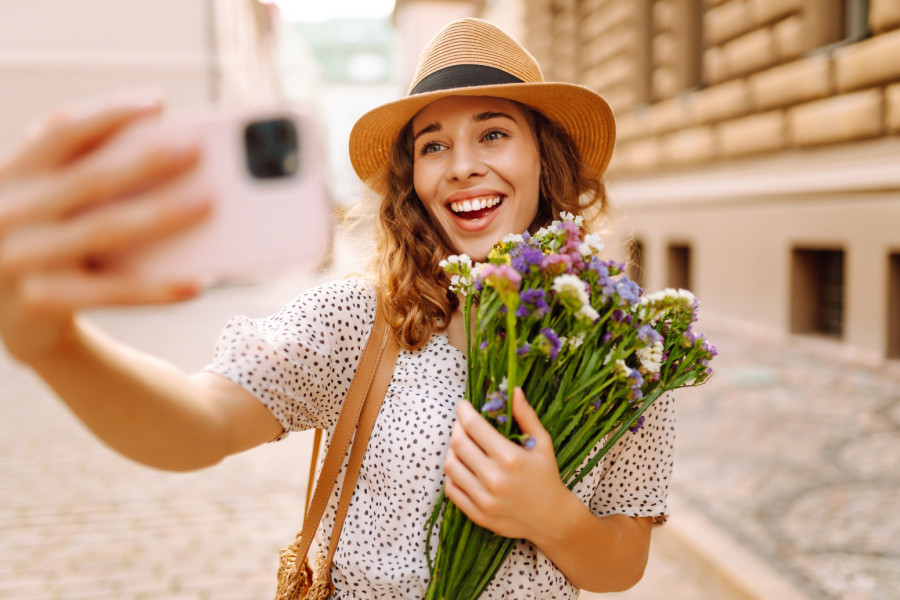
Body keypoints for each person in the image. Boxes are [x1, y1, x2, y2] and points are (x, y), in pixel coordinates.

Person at [0, 18, 673, 599]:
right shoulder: (362, 319)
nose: (461, 165)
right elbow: (198, 426)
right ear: (414, 179)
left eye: (493, 134)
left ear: (544, 156)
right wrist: (53, 345)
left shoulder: (621, 347)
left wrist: (553, 517)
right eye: (433, 145)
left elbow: (624, 562)